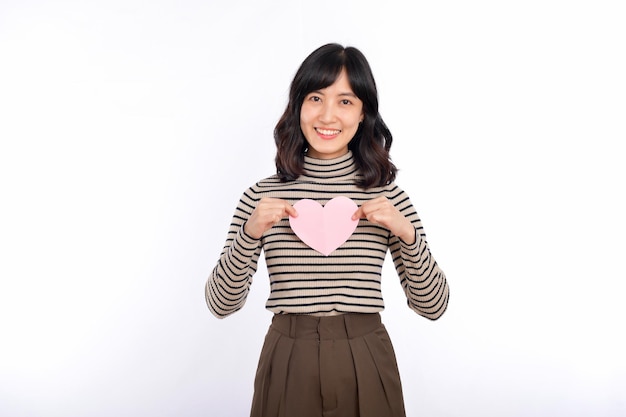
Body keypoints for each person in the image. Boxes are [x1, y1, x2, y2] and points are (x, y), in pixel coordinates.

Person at [205, 43, 449, 417]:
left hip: (367, 356)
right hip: (288, 359)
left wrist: (408, 236)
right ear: (298, 105)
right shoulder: (262, 197)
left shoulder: (388, 198)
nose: (328, 115)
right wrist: (248, 235)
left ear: (364, 111)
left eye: (345, 101)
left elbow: (433, 306)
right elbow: (221, 304)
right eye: (316, 98)